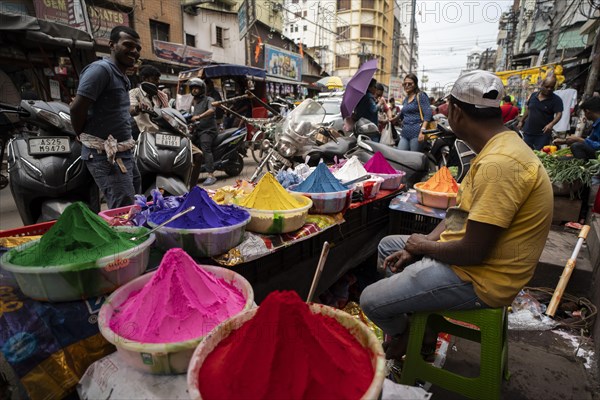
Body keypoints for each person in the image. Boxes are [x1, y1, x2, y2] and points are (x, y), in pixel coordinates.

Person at [360, 70, 553, 362]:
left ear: (458, 112)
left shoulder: (500, 163)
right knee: (390, 245)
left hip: (483, 279)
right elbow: (458, 217)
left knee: (369, 301)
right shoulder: (498, 147)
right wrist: (424, 240)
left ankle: (407, 335)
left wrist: (423, 247)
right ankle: (417, 319)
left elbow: (473, 251)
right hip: (475, 260)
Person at [70, 26, 142, 209]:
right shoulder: (101, 70)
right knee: (124, 209)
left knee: (135, 202)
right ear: (112, 44)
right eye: (128, 45)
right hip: (105, 154)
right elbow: (77, 108)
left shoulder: (122, 76)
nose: (134, 51)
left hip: (123, 151)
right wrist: (82, 136)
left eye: (138, 48)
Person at [517, 76, 563, 150]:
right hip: (528, 131)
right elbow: (528, 109)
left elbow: (559, 114)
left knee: (540, 155)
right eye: (547, 86)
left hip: (542, 134)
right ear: (542, 85)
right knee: (525, 152)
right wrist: (521, 121)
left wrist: (551, 124)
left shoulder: (556, 100)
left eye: (552, 87)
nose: (549, 89)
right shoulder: (533, 95)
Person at [189, 78, 218, 186]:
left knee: (205, 147)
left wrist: (199, 117)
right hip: (197, 130)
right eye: (193, 88)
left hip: (208, 130)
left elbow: (212, 110)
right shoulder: (193, 102)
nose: (195, 90)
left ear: (202, 89)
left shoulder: (209, 99)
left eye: (197, 88)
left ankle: (211, 175)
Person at [396, 73, 432, 152]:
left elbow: (428, 113)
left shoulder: (420, 96)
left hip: (417, 134)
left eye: (410, 83)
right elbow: (402, 114)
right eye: (405, 84)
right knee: (399, 156)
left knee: (414, 160)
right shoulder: (405, 99)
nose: (407, 85)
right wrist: (393, 119)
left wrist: (422, 131)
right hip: (405, 133)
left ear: (415, 84)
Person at [129, 65, 168, 135]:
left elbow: (168, 113)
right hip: (141, 132)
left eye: (158, 79)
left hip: (159, 134)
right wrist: (137, 108)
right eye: (154, 79)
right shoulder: (134, 93)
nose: (158, 82)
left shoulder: (162, 96)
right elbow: (131, 109)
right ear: (144, 78)